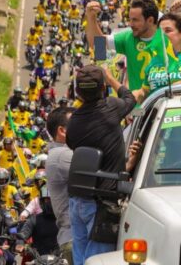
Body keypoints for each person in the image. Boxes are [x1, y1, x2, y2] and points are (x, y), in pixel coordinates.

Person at [66, 65, 136, 264]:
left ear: (78, 91)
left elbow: (73, 144)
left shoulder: (73, 122)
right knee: (98, 260)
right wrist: (111, 78)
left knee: (80, 258)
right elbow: (130, 97)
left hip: (77, 200)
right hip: (102, 203)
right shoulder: (111, 107)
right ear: (103, 88)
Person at [86, 0, 181, 92]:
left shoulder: (168, 36)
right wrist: (91, 18)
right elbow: (97, 46)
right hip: (138, 110)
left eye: (135, 20)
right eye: (130, 19)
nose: (130, 24)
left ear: (150, 20)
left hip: (167, 109)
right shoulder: (128, 37)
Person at [133, 13, 181, 102]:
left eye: (168, 30)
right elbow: (145, 91)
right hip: (158, 113)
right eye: (160, 32)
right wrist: (135, 95)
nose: (162, 35)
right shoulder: (154, 60)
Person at [16, 186, 60, 257]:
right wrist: (20, 244)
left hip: (61, 258)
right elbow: (22, 235)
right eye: (47, 200)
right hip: (38, 259)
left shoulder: (64, 220)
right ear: (42, 201)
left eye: (53, 199)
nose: (50, 203)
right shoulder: (34, 219)